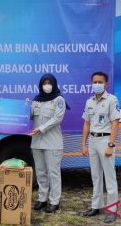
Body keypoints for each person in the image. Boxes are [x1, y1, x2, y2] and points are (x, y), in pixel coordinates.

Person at [81, 71, 121, 223]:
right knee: (95, 176)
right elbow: (86, 123)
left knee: (109, 177)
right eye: (94, 82)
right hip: (92, 141)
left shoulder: (112, 100)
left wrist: (111, 144)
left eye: (100, 82)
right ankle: (96, 206)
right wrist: (83, 144)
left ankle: (112, 210)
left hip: (105, 141)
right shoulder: (89, 102)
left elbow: (116, 122)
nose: (97, 84)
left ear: (106, 84)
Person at [30, 73, 69, 213]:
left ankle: (54, 201)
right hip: (37, 143)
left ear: (54, 84)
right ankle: (42, 198)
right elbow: (26, 116)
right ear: (40, 85)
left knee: (53, 173)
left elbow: (57, 119)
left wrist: (41, 129)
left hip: (53, 143)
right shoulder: (36, 101)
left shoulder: (59, 100)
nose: (47, 86)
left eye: (49, 83)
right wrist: (21, 108)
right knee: (40, 172)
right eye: (44, 83)